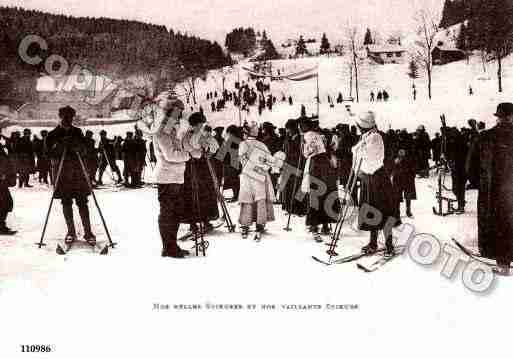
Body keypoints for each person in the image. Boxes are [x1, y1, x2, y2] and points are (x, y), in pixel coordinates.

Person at [137, 93, 191, 258]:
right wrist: (187, 155)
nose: (180, 115)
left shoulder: (172, 129)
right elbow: (171, 155)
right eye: (178, 112)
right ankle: (168, 247)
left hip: (176, 177)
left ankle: (172, 245)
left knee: (175, 213)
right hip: (167, 178)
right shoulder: (161, 130)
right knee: (168, 213)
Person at [468, 103, 513, 275]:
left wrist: (480, 183)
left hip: (491, 192)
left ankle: (501, 263)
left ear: (498, 117)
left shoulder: (485, 137)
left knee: (496, 226)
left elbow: (470, 166)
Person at [46, 106, 96, 245]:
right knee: (66, 202)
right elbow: (47, 153)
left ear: (73, 117)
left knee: (82, 202)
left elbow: (86, 150)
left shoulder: (78, 132)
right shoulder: (53, 134)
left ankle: (88, 231)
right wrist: (61, 146)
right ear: (60, 116)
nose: (68, 119)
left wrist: (78, 146)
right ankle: (71, 231)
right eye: (65, 116)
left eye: (70, 116)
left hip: (77, 173)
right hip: (62, 174)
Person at [352, 111, 396, 257]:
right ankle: (373, 242)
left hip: (377, 180)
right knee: (371, 212)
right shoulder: (367, 136)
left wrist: (359, 150)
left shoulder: (375, 137)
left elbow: (372, 159)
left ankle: (389, 245)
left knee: (383, 212)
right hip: (368, 180)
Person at [181, 112, 220, 233]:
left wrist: (208, 151)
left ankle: (205, 220)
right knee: (192, 193)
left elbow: (213, 147)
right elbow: (189, 149)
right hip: (191, 166)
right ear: (196, 124)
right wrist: (201, 151)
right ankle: (193, 223)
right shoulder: (187, 134)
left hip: (203, 167)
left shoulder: (200, 134)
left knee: (205, 192)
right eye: (201, 124)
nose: (202, 126)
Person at [301, 119, 339, 240]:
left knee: (315, 194)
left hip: (315, 165)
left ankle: (314, 226)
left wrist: (303, 146)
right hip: (326, 164)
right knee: (326, 192)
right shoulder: (321, 135)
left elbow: (307, 153)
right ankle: (326, 225)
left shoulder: (307, 136)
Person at [238, 121, 276, 238]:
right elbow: (271, 161)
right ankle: (260, 224)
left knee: (247, 199)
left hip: (247, 175)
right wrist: (263, 168)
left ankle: (245, 224)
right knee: (260, 199)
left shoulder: (243, 144)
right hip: (260, 175)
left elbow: (242, 160)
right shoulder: (262, 145)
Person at [0, 133, 16, 235]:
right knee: (5, 202)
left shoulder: (2, 147)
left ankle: (1, 225)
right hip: (1, 179)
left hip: (3, 179)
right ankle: (1, 226)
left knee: (6, 202)